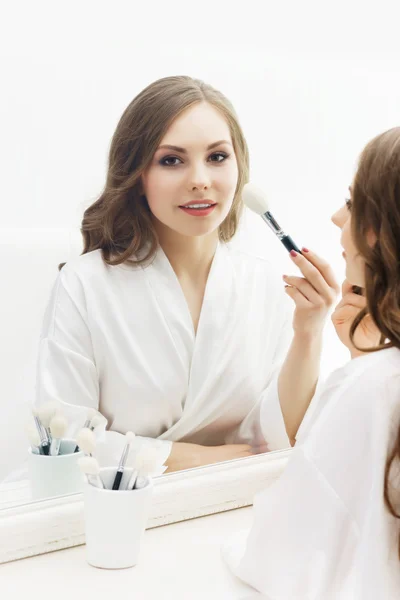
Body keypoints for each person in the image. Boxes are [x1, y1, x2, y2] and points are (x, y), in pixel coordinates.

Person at [34, 75, 338, 472]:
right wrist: (197, 458)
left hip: (236, 505)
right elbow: (64, 439)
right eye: (171, 160)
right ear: (138, 176)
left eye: (217, 157)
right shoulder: (84, 284)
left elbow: (281, 438)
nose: (200, 180)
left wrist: (310, 330)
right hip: (115, 510)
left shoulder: (265, 287)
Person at [223, 127, 400, 599]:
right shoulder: (376, 377)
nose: (334, 215)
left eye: (351, 200)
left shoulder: (376, 385)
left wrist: (366, 371)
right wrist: (359, 356)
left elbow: (282, 555)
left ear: (380, 231)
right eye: (172, 160)